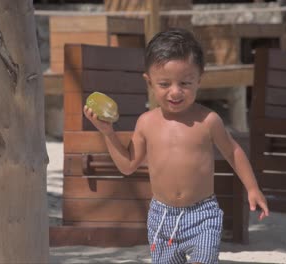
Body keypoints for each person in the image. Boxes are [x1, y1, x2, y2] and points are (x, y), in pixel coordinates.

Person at [83, 28, 269, 264]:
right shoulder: (146, 123)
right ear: (149, 82)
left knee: (204, 259)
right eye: (164, 83)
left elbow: (233, 152)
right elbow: (128, 166)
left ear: (199, 79)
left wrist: (252, 188)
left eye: (185, 82)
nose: (175, 91)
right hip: (161, 217)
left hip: (203, 214)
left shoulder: (208, 120)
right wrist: (108, 132)